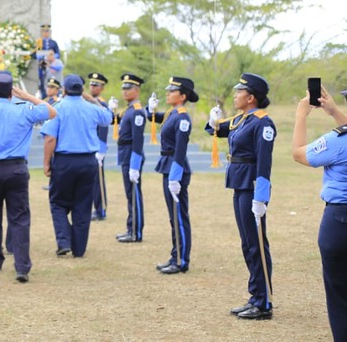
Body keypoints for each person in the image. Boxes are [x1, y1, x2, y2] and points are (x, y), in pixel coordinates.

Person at [0, 71, 56, 283]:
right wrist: (26, 96)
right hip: (16, 169)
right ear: (11, 92)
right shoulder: (23, 109)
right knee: (20, 218)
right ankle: (22, 266)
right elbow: (51, 111)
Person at [206, 73, 275, 320]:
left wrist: (261, 197)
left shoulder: (262, 123)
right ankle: (255, 296)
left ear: (251, 97)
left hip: (252, 187)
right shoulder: (241, 119)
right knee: (247, 243)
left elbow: (264, 164)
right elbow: (215, 129)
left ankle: (264, 302)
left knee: (256, 243)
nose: (235, 95)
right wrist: (212, 118)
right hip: (238, 183)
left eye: (239, 92)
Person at [292, 86, 347, 340]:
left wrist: (301, 115)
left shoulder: (339, 140)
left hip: (339, 222)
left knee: (339, 296)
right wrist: (335, 112)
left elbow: (299, 153)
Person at [41, 75, 112, 258]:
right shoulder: (91, 108)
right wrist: (93, 100)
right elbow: (108, 118)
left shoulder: (57, 108)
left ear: (63, 90)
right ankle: (79, 248)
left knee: (58, 202)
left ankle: (64, 241)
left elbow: (50, 138)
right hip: (88, 161)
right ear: (82, 90)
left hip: (64, 161)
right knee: (83, 204)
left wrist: (47, 162)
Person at [147, 77, 198, 274]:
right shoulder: (172, 113)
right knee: (173, 216)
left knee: (179, 215)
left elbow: (180, 149)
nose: (167, 93)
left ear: (182, 96)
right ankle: (175, 254)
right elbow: (155, 117)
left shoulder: (182, 117)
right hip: (168, 166)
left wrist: (175, 177)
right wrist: (150, 109)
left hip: (175, 168)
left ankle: (181, 260)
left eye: (172, 91)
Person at [112, 73, 147, 243]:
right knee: (129, 194)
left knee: (134, 194)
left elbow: (138, 140)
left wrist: (134, 164)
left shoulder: (137, 112)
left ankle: (136, 232)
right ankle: (130, 227)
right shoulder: (129, 110)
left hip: (132, 154)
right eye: (123, 88)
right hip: (125, 153)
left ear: (137, 90)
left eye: (128, 88)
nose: (124, 91)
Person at [88, 72, 110, 220]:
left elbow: (103, 127)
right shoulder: (90, 102)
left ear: (101, 87)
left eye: (95, 85)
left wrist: (101, 149)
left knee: (98, 181)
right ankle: (96, 208)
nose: (92, 87)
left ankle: (101, 210)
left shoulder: (101, 104)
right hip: (90, 146)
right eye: (91, 84)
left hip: (97, 147)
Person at [33, 24, 60, 99]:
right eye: (44, 31)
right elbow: (34, 54)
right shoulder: (39, 42)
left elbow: (58, 54)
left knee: (52, 82)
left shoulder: (53, 43)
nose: (46, 33)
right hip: (42, 66)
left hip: (51, 67)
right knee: (42, 82)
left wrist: (51, 57)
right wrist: (40, 56)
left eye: (47, 31)